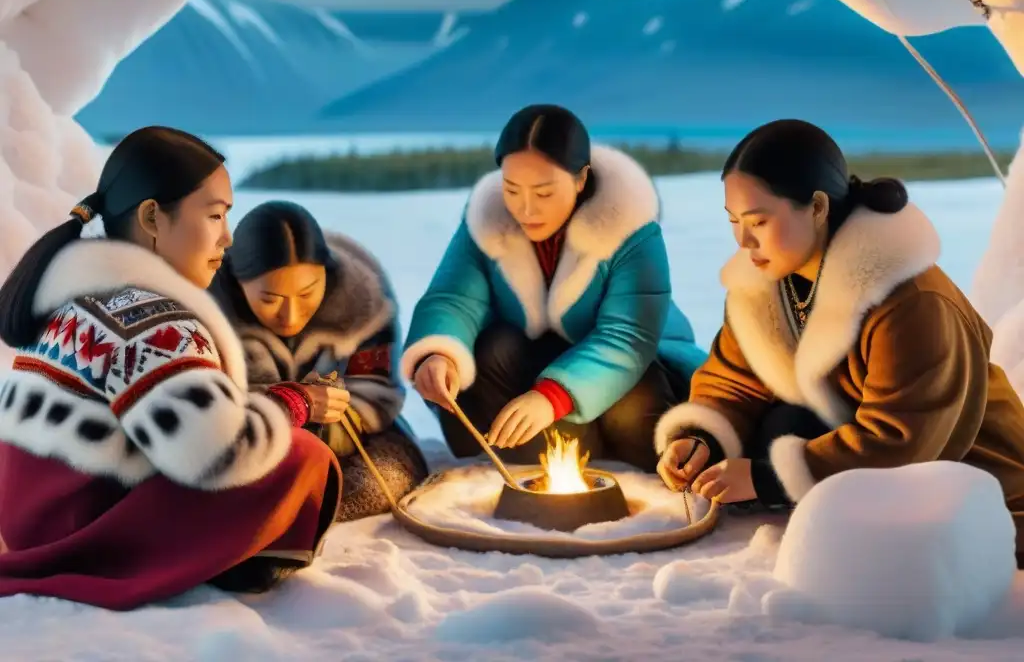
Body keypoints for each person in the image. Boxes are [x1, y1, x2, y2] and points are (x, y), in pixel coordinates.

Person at [0, 127, 342, 610]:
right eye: (215, 215)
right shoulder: (150, 319)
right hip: (77, 529)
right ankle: (214, 563)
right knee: (300, 456)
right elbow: (217, 453)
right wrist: (295, 403)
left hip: (29, 517)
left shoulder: (77, 293)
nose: (227, 238)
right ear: (153, 217)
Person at [654, 119, 1024, 563]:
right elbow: (735, 381)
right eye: (734, 221)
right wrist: (702, 440)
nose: (743, 240)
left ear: (816, 207)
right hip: (858, 468)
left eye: (759, 220)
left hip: (972, 488)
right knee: (779, 422)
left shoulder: (911, 299)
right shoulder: (770, 286)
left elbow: (904, 439)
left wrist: (767, 479)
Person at [402, 104, 707, 471]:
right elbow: (455, 298)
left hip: (635, 368)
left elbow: (627, 336)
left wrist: (553, 397)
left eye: (544, 193)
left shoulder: (629, 227)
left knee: (636, 412)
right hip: (532, 363)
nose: (525, 209)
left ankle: (618, 461)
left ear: (581, 179)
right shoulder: (487, 221)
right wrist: (439, 353)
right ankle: (551, 460)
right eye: (512, 190)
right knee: (488, 355)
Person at [209, 201, 428, 521]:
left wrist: (337, 415)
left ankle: (304, 510)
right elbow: (210, 414)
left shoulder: (363, 304)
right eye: (270, 299)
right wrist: (294, 404)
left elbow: (378, 391)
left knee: (388, 475)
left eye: (307, 293)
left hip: (357, 440)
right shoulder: (207, 313)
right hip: (249, 445)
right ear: (237, 280)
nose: (291, 315)